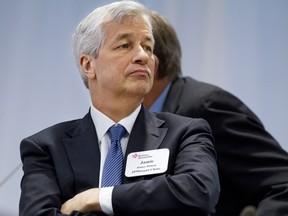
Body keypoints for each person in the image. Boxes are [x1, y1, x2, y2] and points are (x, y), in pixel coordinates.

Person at [19, 1, 220, 216]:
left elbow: (199, 192)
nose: (143, 56)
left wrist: (99, 198)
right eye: (124, 45)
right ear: (88, 65)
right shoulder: (47, 148)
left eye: (148, 47)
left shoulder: (185, 133)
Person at [143, 10, 288, 216]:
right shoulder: (132, 123)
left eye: (123, 47)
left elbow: (282, 184)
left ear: (150, 61)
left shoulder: (205, 107)